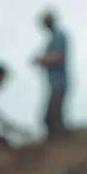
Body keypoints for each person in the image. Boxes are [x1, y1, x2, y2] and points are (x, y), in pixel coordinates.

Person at [32, 9, 70, 138]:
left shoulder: (59, 36)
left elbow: (58, 58)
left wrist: (40, 60)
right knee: (51, 118)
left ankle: (61, 146)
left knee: (52, 119)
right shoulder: (54, 37)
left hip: (58, 83)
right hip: (54, 84)